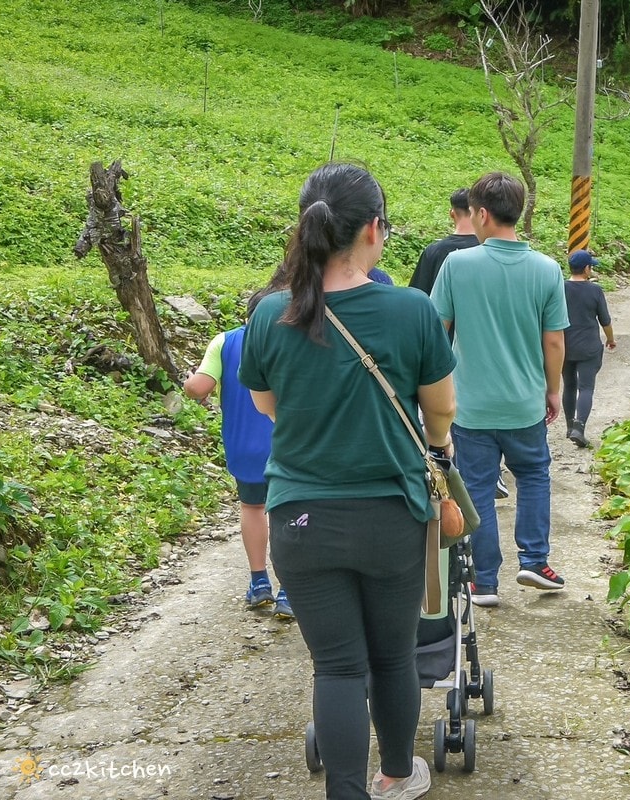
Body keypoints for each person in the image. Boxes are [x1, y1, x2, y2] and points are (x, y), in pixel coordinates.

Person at [239, 162, 456, 800]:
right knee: (393, 657)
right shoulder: (410, 310)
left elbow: (266, 404)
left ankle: (345, 793)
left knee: (335, 666)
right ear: (372, 231)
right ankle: (394, 775)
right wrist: (436, 447)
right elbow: (440, 407)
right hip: (390, 516)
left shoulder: (271, 313)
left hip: (299, 519)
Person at [430, 171, 569, 608]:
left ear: (482, 215)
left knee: (478, 486)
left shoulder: (457, 265)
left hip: (470, 406)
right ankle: (534, 559)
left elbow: (438, 333)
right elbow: (553, 340)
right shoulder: (547, 270)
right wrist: (552, 389)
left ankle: (483, 581)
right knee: (533, 475)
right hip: (525, 403)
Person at [183, 289, 293, 620]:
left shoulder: (225, 341)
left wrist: (189, 381)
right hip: (289, 444)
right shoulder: (293, 340)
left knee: (253, 507)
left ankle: (259, 582)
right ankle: (289, 589)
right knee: (287, 512)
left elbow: (199, 388)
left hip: (243, 445)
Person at [411, 188, 510, 500]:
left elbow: (419, 303)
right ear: (479, 211)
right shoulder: (496, 254)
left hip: (442, 352)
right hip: (489, 352)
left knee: (444, 415)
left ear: (453, 213)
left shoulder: (436, 253)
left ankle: (446, 477)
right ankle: (491, 472)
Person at [562, 249, 616, 448]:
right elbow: (605, 321)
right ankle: (580, 427)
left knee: (568, 385)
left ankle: (569, 427)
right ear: (586, 268)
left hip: (565, 346)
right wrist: (610, 339)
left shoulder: (559, 288)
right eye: (591, 266)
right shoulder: (595, 290)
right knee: (586, 387)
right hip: (588, 348)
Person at [408, 188, 479, 296]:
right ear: (479, 214)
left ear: (452, 213)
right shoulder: (485, 249)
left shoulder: (434, 251)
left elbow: (416, 296)